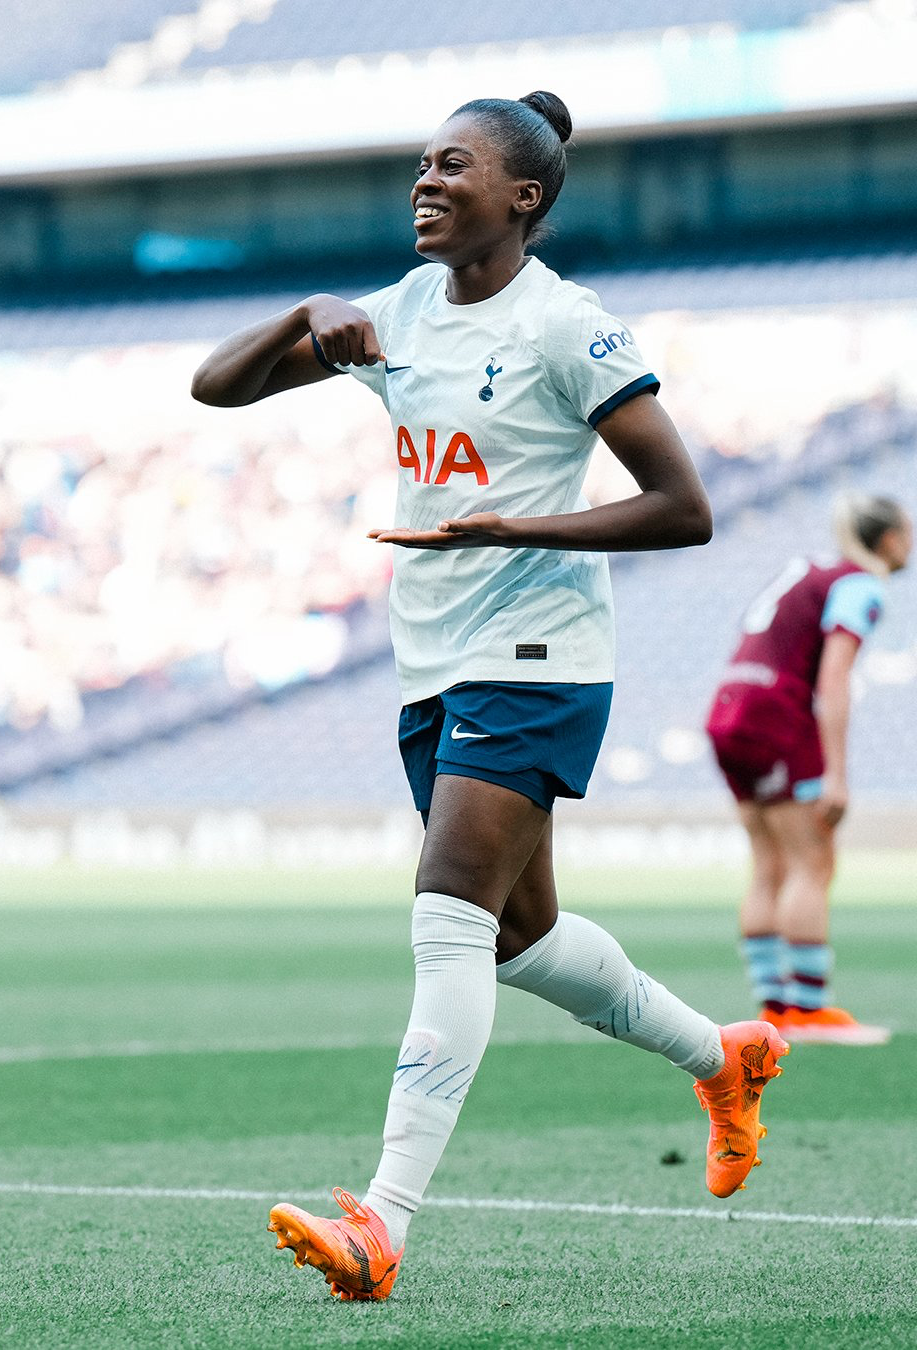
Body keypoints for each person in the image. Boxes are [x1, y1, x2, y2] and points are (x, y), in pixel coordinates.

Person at [192, 90, 788, 1303]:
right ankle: (721, 1055)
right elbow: (218, 386)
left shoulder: (569, 326)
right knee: (522, 940)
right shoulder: (403, 310)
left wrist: (514, 526)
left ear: (522, 197)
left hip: (539, 655)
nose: (423, 182)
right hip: (434, 664)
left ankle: (383, 1220)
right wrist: (311, 310)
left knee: (449, 911)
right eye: (419, 163)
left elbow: (686, 506)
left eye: (451, 166)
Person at [705, 493, 913, 1046]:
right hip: (777, 715)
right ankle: (808, 1011)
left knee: (768, 861)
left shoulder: (808, 570)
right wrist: (838, 775)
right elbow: (834, 680)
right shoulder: (859, 584)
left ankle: (774, 1006)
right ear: (889, 538)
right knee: (812, 860)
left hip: (730, 710)